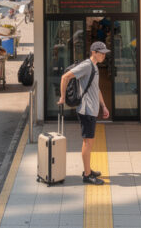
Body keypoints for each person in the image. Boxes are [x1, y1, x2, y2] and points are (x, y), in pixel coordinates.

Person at [57, 41, 110, 185]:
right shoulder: (87, 65)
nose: (104, 55)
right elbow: (65, 77)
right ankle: (87, 175)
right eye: (101, 53)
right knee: (88, 142)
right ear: (94, 53)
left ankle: (88, 170)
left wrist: (104, 106)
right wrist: (62, 97)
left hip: (92, 110)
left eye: (105, 53)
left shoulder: (94, 66)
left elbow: (96, 88)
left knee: (90, 142)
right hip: (86, 110)